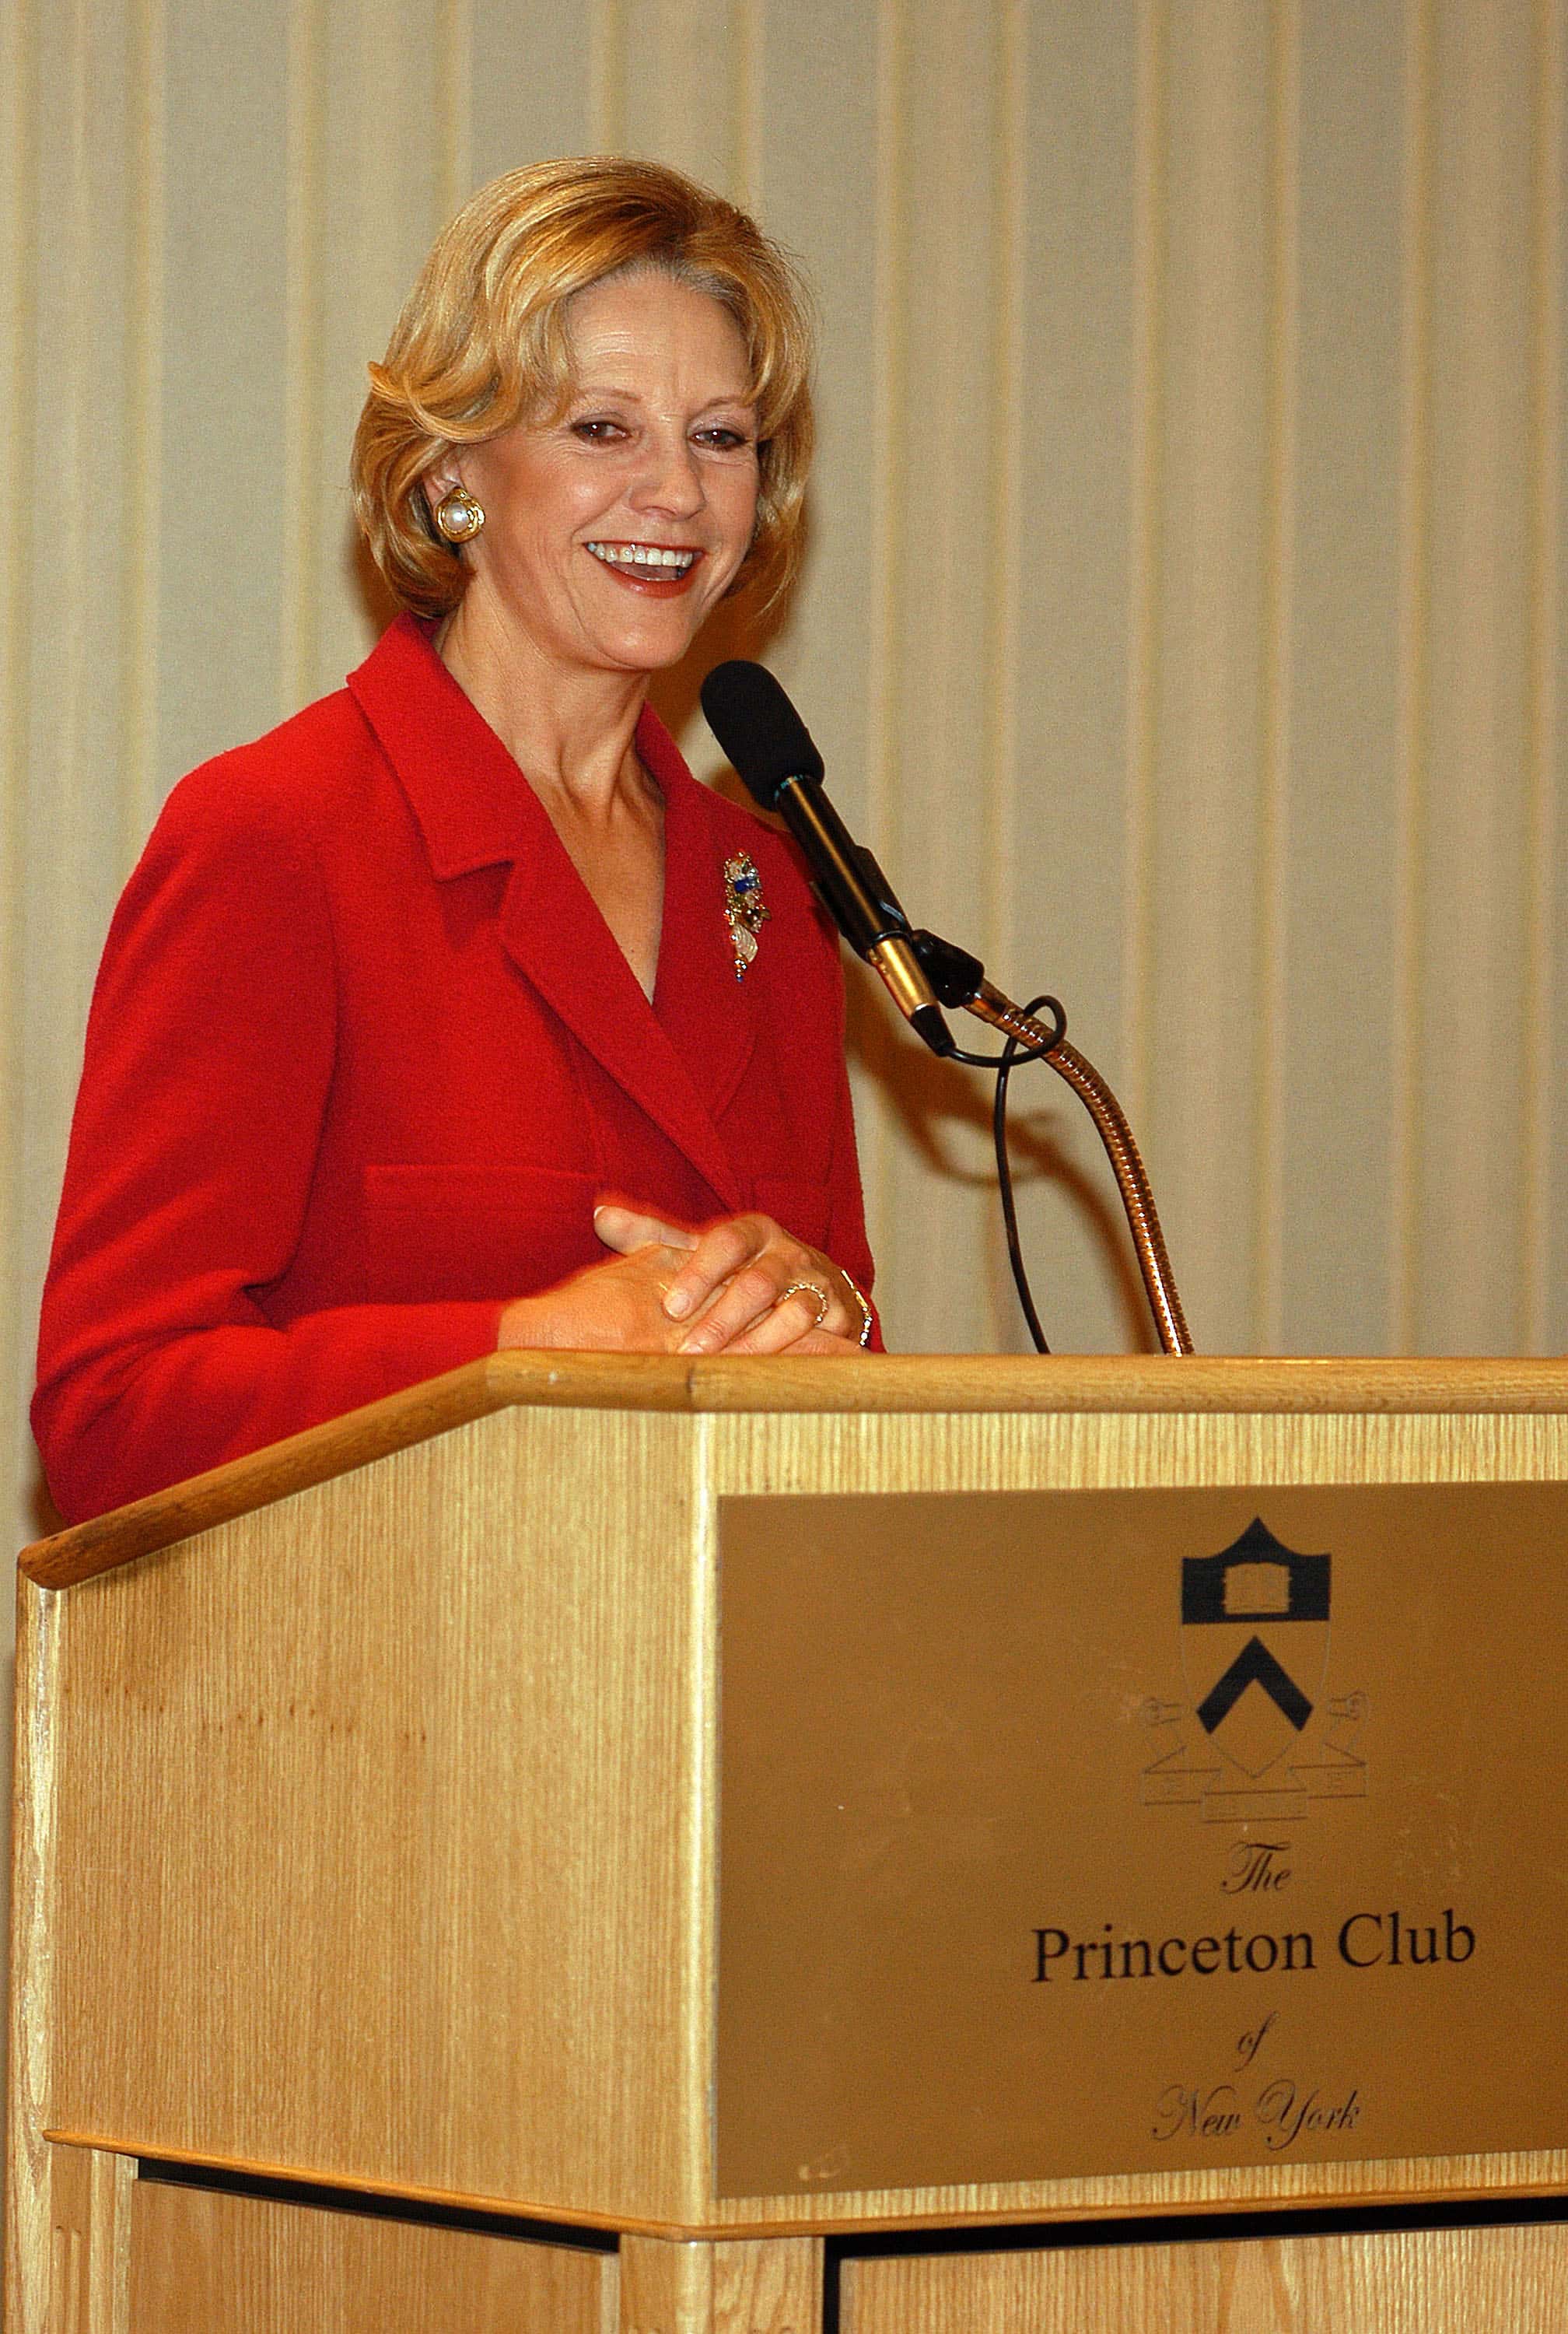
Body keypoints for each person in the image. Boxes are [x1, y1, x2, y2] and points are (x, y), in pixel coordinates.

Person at [33, 156, 877, 1526]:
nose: (675, 490)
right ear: (450, 481)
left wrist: (819, 1308)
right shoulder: (279, 837)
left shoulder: (770, 887)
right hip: (372, 1700)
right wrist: (521, 1354)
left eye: (720, 437)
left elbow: (819, 1377)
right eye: (603, 429)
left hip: (715, 1692)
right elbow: (114, 1412)